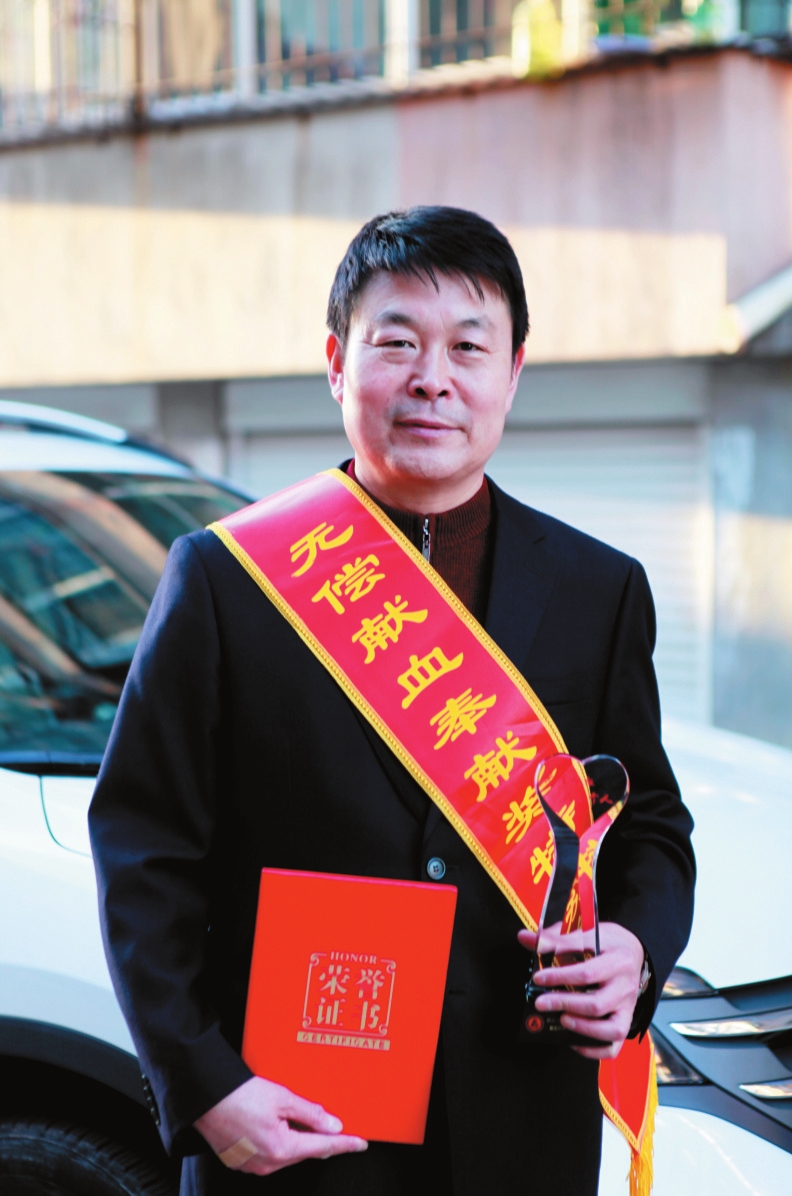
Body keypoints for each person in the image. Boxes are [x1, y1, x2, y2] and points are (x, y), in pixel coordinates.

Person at [89, 207, 695, 1196]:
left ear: (512, 373)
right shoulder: (227, 578)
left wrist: (635, 945)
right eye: (396, 342)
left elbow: (651, 824)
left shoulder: (598, 589)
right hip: (290, 1126)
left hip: (519, 1120)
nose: (432, 378)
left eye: (468, 347)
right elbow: (143, 848)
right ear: (337, 362)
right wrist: (203, 1084)